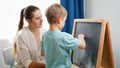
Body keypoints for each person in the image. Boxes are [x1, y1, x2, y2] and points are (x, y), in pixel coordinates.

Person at [41, 3, 86, 68]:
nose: (64, 23)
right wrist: (80, 37)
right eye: (64, 20)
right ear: (59, 20)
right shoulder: (64, 37)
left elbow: (43, 53)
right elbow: (82, 45)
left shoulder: (44, 36)